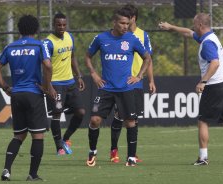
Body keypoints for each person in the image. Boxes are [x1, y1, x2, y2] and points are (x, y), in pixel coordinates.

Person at [159, 13, 223, 165]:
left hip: (214, 86)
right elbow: (188, 33)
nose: (193, 26)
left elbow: (215, 63)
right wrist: (171, 27)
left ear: (200, 25)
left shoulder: (207, 43)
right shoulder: (209, 37)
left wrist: (203, 81)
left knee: (203, 121)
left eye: (194, 24)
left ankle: (203, 158)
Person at [85, 8, 151, 167]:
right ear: (114, 22)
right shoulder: (101, 38)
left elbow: (147, 57)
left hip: (126, 89)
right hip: (106, 88)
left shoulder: (132, 39)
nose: (125, 26)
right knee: (94, 120)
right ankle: (92, 152)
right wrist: (93, 74)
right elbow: (88, 56)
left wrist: (139, 76)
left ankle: (131, 158)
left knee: (130, 122)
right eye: (122, 23)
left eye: (127, 23)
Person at [0, 15, 53, 181]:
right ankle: (32, 174)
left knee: (19, 135)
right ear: (36, 29)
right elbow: (47, 65)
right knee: (37, 135)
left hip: (17, 94)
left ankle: (6, 169)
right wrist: (47, 87)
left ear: (19, 30)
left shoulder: (10, 47)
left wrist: (5, 87)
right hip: (34, 94)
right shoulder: (39, 45)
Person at [109, 4, 156, 164]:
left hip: (136, 82)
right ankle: (113, 150)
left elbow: (148, 59)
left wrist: (150, 80)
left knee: (133, 119)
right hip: (120, 83)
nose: (126, 24)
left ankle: (132, 154)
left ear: (133, 18)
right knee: (119, 116)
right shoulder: (117, 35)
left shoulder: (143, 35)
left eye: (129, 20)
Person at [43, 13, 86, 156]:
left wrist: (78, 76)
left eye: (63, 25)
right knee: (57, 114)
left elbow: (72, 57)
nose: (61, 27)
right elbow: (44, 65)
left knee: (81, 112)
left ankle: (65, 139)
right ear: (53, 25)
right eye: (58, 25)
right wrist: (47, 85)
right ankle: (59, 148)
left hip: (70, 82)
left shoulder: (70, 37)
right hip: (55, 83)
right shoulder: (48, 42)